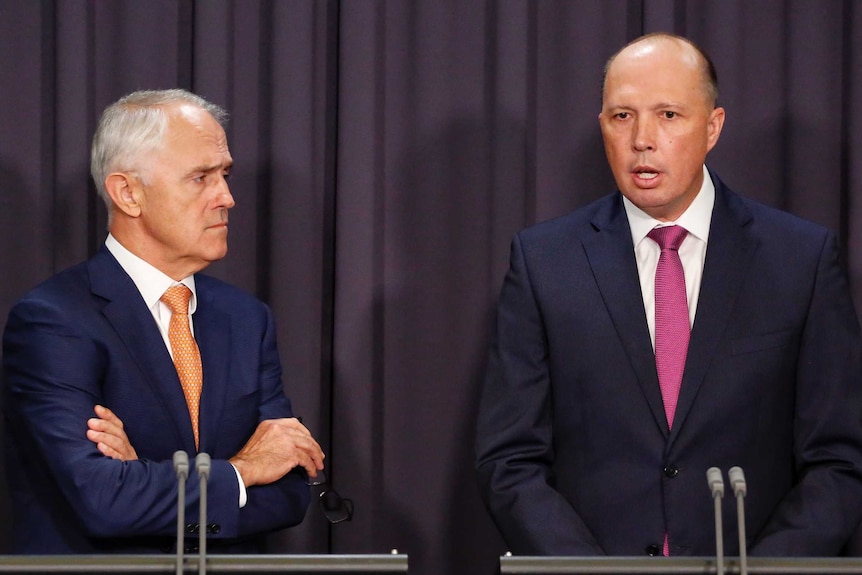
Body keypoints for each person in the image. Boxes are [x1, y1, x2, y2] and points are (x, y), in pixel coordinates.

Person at [475, 33, 862, 557]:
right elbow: (510, 459)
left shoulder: (801, 260)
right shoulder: (545, 262)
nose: (642, 139)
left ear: (713, 127)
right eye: (621, 117)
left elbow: (840, 460)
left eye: (669, 116)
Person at [3, 89, 326, 554]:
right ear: (128, 193)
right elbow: (101, 499)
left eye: (225, 175)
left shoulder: (245, 319)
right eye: (201, 178)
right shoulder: (55, 321)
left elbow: (291, 492)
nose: (227, 197)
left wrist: (146, 479)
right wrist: (243, 470)